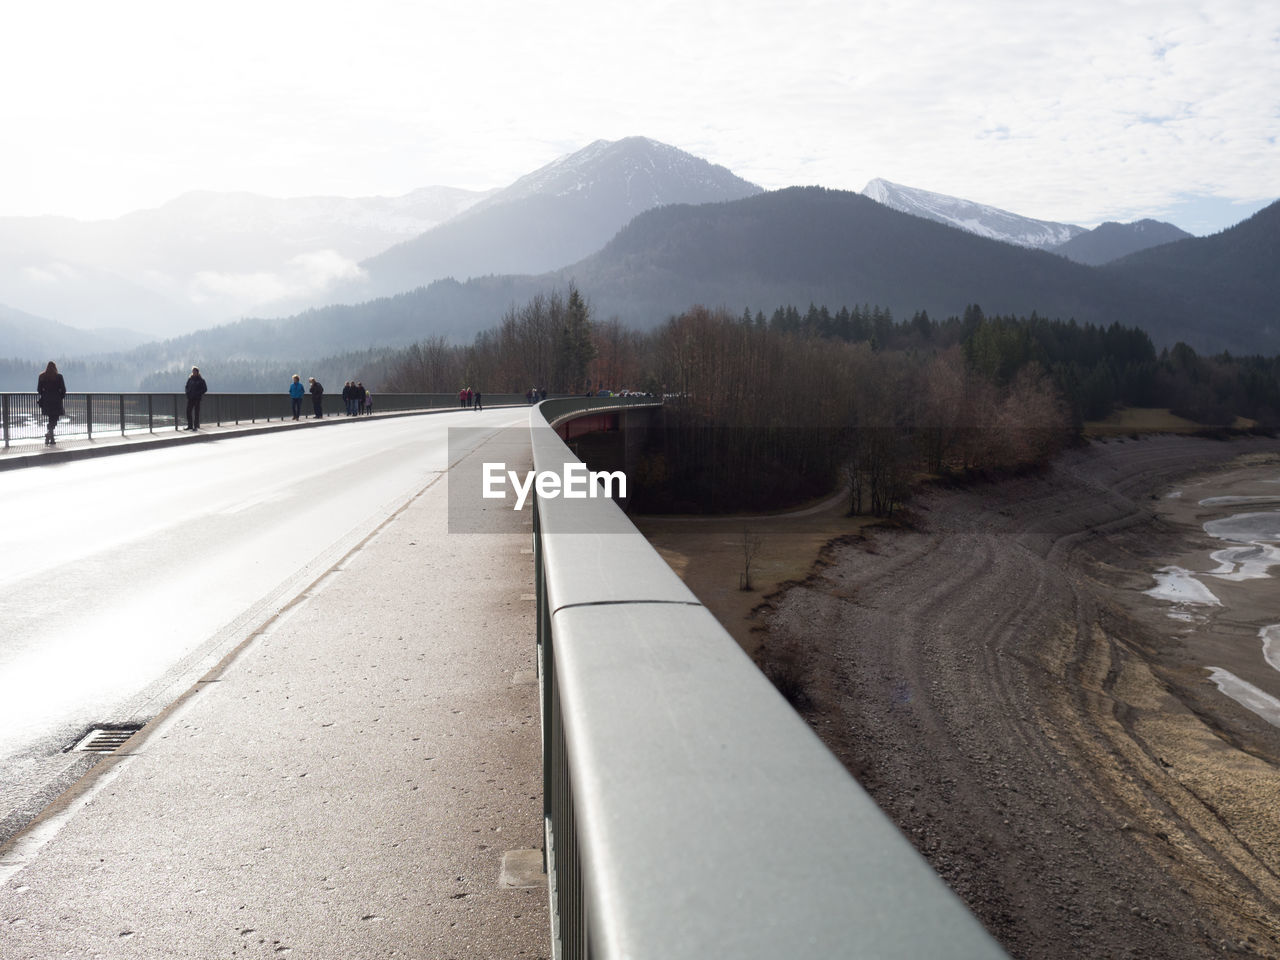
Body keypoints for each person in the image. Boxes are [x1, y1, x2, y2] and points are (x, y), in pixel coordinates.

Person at [36, 360, 67, 446]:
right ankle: (50, 434)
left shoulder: (42, 376)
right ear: (55, 367)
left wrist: (45, 395)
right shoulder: (59, 377)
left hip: (46, 401)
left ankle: (50, 436)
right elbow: (63, 390)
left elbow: (39, 389)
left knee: (51, 418)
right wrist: (60, 397)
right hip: (56, 401)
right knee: (55, 419)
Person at [184, 366, 207, 431]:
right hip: (190, 398)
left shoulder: (201, 380)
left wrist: (198, 393)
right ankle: (190, 426)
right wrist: (187, 393)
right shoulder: (190, 379)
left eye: (195, 371)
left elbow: (205, 389)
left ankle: (195, 426)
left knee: (196, 413)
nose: (194, 372)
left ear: (197, 372)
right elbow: (186, 387)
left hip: (197, 399)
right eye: (193, 371)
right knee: (188, 412)